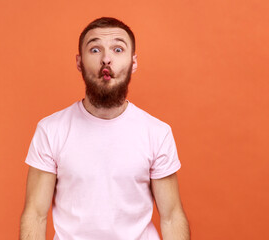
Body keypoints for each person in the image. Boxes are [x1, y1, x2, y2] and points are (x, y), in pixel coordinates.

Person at [20, 17, 190, 240]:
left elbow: (171, 216)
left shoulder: (157, 132)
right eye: (95, 49)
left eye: (118, 49)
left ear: (133, 62)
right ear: (79, 62)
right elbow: (35, 214)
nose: (106, 59)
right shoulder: (51, 130)